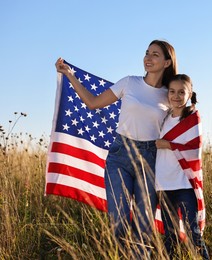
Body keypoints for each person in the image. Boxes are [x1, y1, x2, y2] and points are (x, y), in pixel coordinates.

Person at [55, 39, 178, 257]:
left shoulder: (169, 95)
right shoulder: (129, 83)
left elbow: (182, 123)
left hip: (150, 160)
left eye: (155, 55)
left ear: (168, 63)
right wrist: (69, 75)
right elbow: (93, 103)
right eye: (147, 53)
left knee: (144, 225)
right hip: (120, 156)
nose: (148, 58)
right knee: (119, 219)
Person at [155, 74, 210, 259]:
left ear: (189, 94)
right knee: (170, 236)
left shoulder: (192, 117)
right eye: (172, 91)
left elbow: (194, 150)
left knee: (193, 233)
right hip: (164, 184)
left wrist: (169, 145)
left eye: (181, 92)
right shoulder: (163, 118)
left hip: (184, 185)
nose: (176, 96)